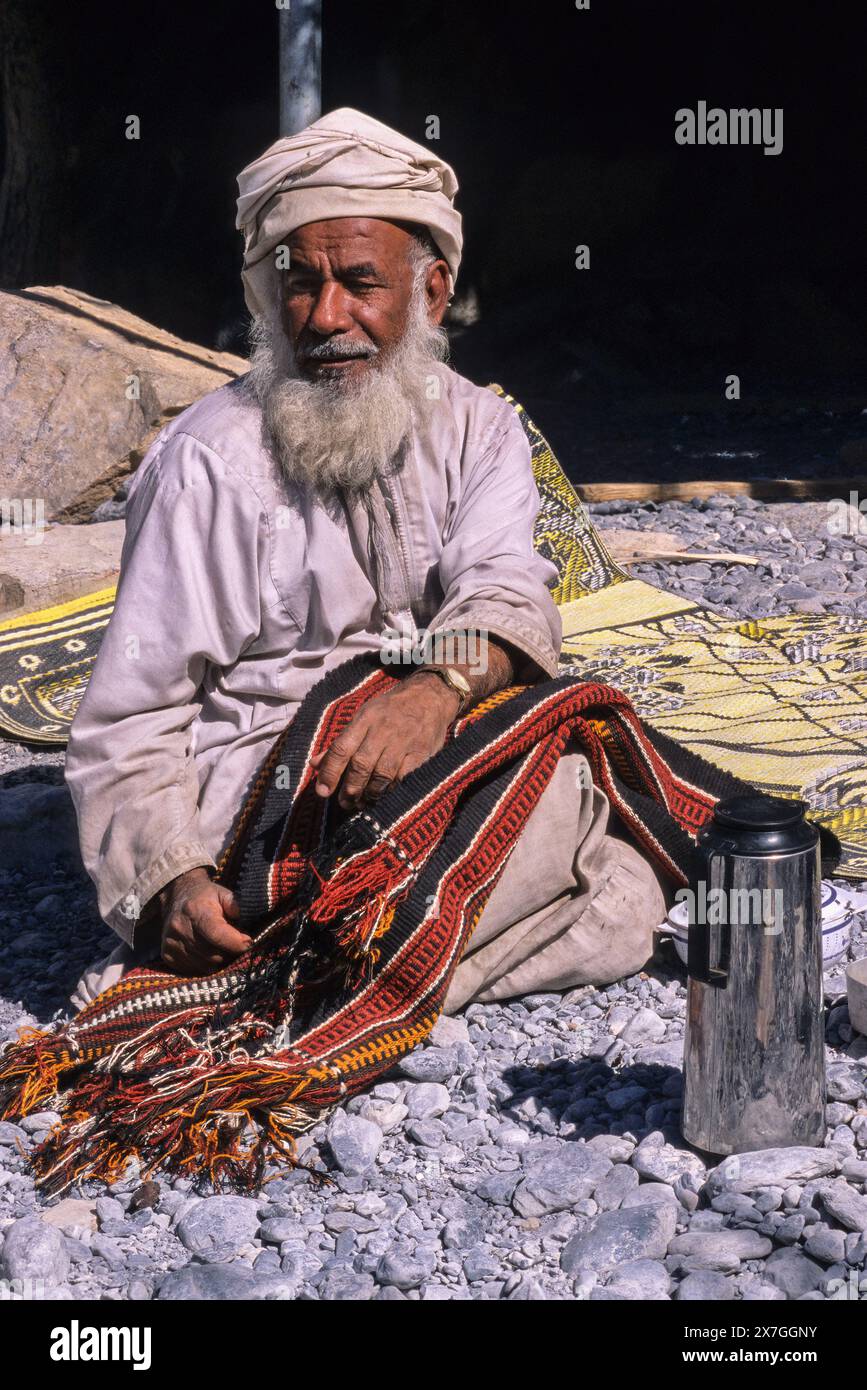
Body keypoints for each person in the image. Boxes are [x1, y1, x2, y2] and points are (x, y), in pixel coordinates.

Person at [65, 108, 670, 1014]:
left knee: (590, 801)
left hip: (433, 730)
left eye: (359, 282)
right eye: (298, 285)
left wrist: (435, 689)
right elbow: (132, 712)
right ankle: (339, 964)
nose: (325, 317)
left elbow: (504, 585)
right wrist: (165, 882)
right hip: (265, 776)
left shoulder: (479, 426)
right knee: (585, 872)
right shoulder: (210, 461)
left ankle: (341, 972)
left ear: (429, 293)